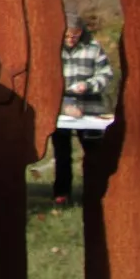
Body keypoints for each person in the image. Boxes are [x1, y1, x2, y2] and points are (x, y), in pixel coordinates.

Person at [53, 11, 112, 204]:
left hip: (90, 105)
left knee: (93, 153)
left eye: (75, 36)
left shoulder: (93, 47)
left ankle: (95, 192)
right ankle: (62, 193)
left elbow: (106, 74)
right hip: (61, 106)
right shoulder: (52, 48)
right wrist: (64, 106)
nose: (70, 39)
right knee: (62, 154)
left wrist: (88, 85)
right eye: (67, 36)